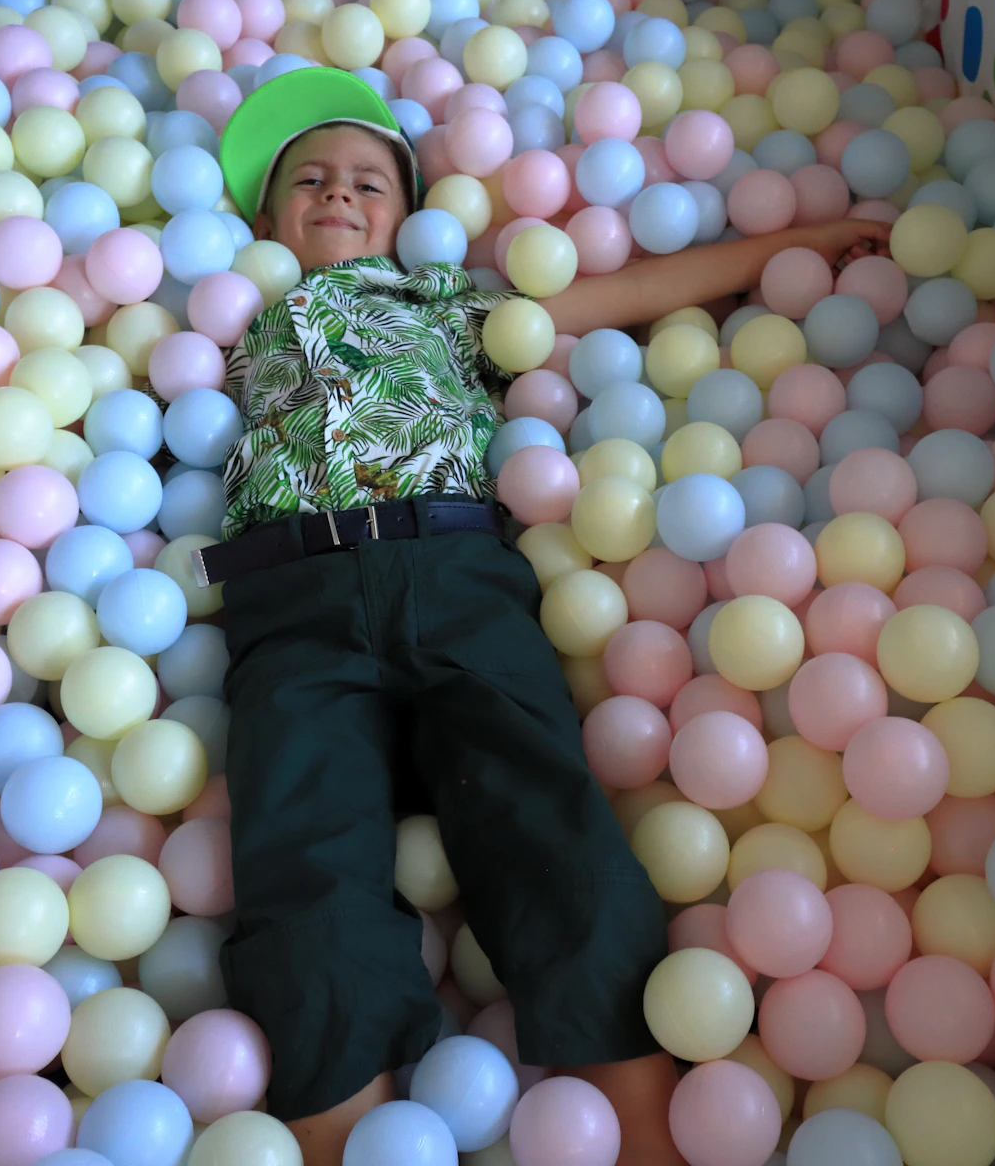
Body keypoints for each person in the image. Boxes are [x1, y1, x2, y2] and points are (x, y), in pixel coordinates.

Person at [192, 66, 887, 1166]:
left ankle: (646, 1124)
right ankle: (332, 1129)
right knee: (303, 856)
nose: (338, 193)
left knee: (547, 819)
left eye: (368, 181)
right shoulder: (230, 313)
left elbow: (633, 293)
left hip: (456, 568)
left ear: (407, 215)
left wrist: (801, 242)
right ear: (264, 218)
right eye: (310, 180)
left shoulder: (452, 303)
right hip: (293, 599)